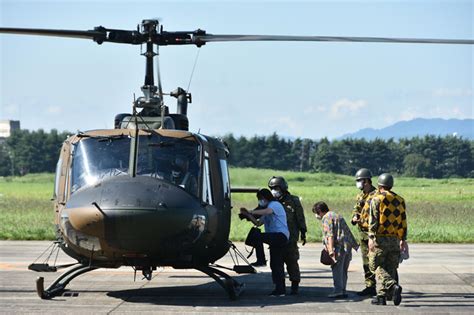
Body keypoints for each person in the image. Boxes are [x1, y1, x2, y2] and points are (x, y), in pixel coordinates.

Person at [240, 188, 289, 296]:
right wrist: (248, 215)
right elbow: (258, 223)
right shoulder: (268, 208)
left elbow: (267, 212)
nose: (260, 201)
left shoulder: (274, 205)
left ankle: (261, 260)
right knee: (275, 264)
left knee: (257, 236)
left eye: (260, 199)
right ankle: (280, 289)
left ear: (266, 198)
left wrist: (251, 211)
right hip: (275, 238)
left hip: (280, 236)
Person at [368, 173, 407, 306]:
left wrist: (371, 237)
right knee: (390, 267)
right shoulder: (400, 200)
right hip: (394, 239)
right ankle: (381, 296)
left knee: (376, 266)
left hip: (380, 238)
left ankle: (392, 285)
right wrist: (403, 239)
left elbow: (373, 220)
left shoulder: (376, 199)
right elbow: (403, 221)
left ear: (379, 185)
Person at [268, 176, 307, 295]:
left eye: (276, 188)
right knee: (276, 264)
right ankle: (279, 287)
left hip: (290, 238)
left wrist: (303, 232)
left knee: (292, 262)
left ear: (283, 188)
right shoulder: (271, 203)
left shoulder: (294, 201)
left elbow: (300, 217)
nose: (274, 191)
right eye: (272, 188)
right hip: (275, 238)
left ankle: (294, 286)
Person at [313, 201, 359, 298]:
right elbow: (346, 231)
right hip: (347, 246)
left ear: (320, 211)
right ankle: (343, 290)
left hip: (338, 248)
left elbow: (330, 235)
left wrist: (330, 250)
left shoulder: (326, 218)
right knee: (343, 270)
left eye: (317, 213)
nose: (317, 216)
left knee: (337, 269)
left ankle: (338, 291)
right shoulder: (337, 215)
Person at [351, 168, 377, 297]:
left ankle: (388, 286)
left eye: (359, 181)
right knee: (366, 262)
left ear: (366, 181)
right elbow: (356, 209)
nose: (358, 183)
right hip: (362, 234)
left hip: (374, 234)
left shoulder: (376, 195)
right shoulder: (360, 195)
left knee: (378, 261)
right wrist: (355, 216)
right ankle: (370, 286)